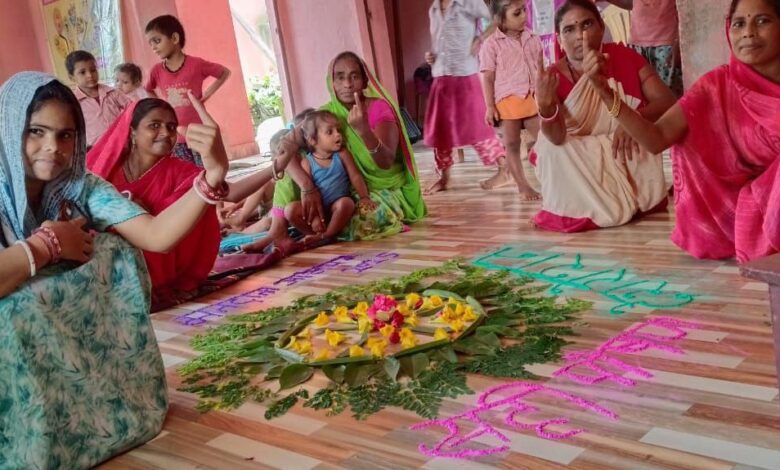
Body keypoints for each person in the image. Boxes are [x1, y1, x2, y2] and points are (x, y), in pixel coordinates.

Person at [0, 72, 234, 468]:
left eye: (66, 135)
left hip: (69, 357)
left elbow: (155, 234)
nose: (52, 149)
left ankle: (100, 412)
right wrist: (47, 244)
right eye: (35, 131)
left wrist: (212, 176)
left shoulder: (79, 186)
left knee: (114, 250)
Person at [582, 0, 780, 262]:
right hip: (743, 213)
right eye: (739, 23)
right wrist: (607, 96)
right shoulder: (715, 86)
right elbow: (657, 139)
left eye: (762, 21)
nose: (748, 32)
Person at [87, 98, 297, 303]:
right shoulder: (109, 167)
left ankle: (158, 282)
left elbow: (230, 192)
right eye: (154, 125)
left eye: (171, 127)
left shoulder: (180, 170)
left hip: (160, 257)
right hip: (108, 260)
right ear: (132, 131)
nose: (165, 133)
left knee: (201, 196)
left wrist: (277, 166)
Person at [531, 0, 676, 232]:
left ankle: (629, 197)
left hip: (623, 145)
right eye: (569, 29)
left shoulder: (625, 57)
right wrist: (546, 107)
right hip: (577, 155)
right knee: (550, 150)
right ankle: (582, 208)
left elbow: (667, 101)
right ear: (559, 39)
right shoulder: (551, 77)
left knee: (641, 136)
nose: (580, 35)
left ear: (601, 27)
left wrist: (632, 121)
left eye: (587, 24)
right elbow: (557, 138)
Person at [257, 51, 426, 249]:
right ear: (332, 82)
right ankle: (278, 230)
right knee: (293, 160)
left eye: (354, 76)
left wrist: (364, 131)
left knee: (366, 219)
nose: (347, 84)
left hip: (379, 188)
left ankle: (321, 232)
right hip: (337, 190)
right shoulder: (326, 114)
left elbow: (386, 161)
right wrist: (307, 185)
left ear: (364, 81)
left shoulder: (379, 108)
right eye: (340, 77)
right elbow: (282, 148)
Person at [424, 0, 509, 194]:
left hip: (465, 76)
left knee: (478, 128)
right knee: (440, 131)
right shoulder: (434, 9)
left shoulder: (468, 2)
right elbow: (438, 43)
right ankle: (445, 178)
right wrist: (431, 56)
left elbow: (498, 18)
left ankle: (504, 170)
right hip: (441, 76)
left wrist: (480, 38)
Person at [144, 14, 231, 167]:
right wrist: (161, 106)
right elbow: (148, 89)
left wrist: (207, 95)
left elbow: (224, 73)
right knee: (187, 178)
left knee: (206, 173)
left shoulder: (196, 64)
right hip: (175, 137)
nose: (153, 47)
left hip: (199, 134)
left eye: (157, 41)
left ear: (175, 38)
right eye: (150, 43)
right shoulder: (156, 71)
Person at [480, 0, 543, 201]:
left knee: (546, 141)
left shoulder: (533, 38)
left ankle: (553, 177)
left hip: (532, 97)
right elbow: (487, 77)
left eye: (524, 10)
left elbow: (540, 68)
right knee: (512, 145)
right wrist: (490, 106)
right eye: (517, 13)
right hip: (507, 100)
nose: (524, 16)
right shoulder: (491, 44)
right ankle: (523, 186)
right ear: (501, 20)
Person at [286, 111, 377, 245]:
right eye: (330, 132)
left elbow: (355, 175)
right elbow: (306, 195)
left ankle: (327, 235)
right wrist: (315, 217)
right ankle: (313, 235)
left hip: (337, 205)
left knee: (347, 203)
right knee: (290, 210)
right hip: (318, 209)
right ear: (312, 139)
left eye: (338, 130)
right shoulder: (307, 162)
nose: (338, 134)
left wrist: (364, 197)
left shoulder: (342, 154)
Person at [603, 0, 683, 96]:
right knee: (642, 93)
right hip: (637, 44)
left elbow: (685, 12)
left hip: (666, 46)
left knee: (669, 94)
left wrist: (678, 44)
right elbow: (632, 3)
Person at [66, 50, 130, 146]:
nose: (90, 75)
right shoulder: (72, 103)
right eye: (82, 72)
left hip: (122, 144)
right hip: (95, 149)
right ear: (72, 77)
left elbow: (132, 108)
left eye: (93, 70)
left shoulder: (112, 93)